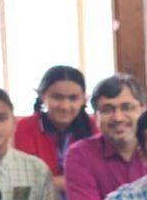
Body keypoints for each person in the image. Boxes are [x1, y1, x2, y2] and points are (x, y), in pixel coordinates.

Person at [64, 74, 147, 200]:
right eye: (107, 109)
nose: (118, 118)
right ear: (96, 116)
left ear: (143, 110)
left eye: (127, 107)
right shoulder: (80, 155)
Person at [14, 65, 93, 193]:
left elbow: (102, 177)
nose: (65, 106)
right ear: (42, 96)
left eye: (73, 98)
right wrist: (75, 182)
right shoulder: (25, 127)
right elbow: (22, 185)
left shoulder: (94, 127)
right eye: (57, 97)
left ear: (84, 99)